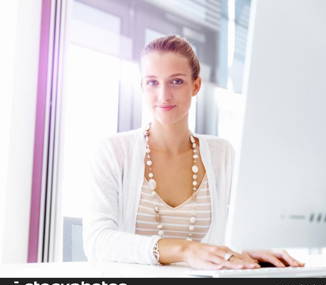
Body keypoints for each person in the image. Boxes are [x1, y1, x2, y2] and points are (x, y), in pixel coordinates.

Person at [83, 35, 305, 270]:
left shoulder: (222, 154)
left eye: (176, 82)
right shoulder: (113, 152)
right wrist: (186, 250)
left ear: (196, 85)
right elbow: (97, 242)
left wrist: (248, 250)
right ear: (141, 86)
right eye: (152, 82)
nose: (164, 95)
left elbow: (236, 233)